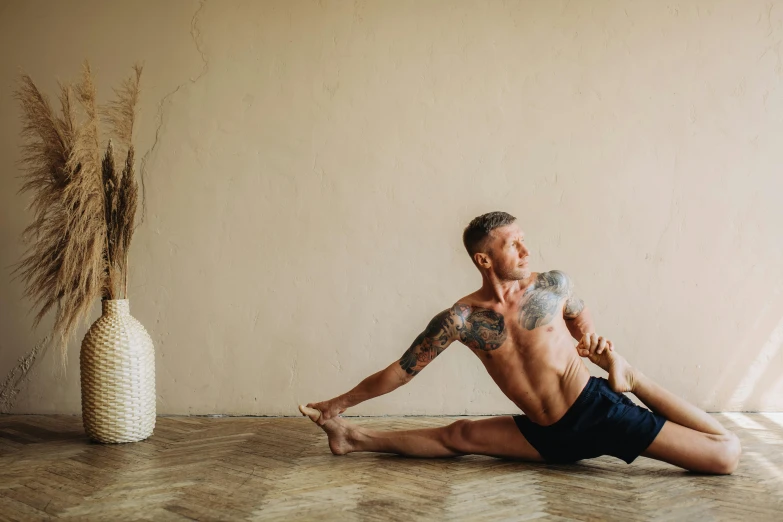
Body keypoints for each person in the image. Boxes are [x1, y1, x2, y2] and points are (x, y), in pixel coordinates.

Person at [299, 211, 741, 474]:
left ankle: (633, 378)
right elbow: (400, 371)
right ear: (484, 259)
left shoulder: (552, 285)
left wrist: (590, 344)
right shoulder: (460, 319)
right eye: (514, 244)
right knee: (458, 436)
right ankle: (352, 439)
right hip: (545, 435)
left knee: (725, 456)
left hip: (596, 412)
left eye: (525, 240)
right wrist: (338, 405)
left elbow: (580, 317)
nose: (526, 251)